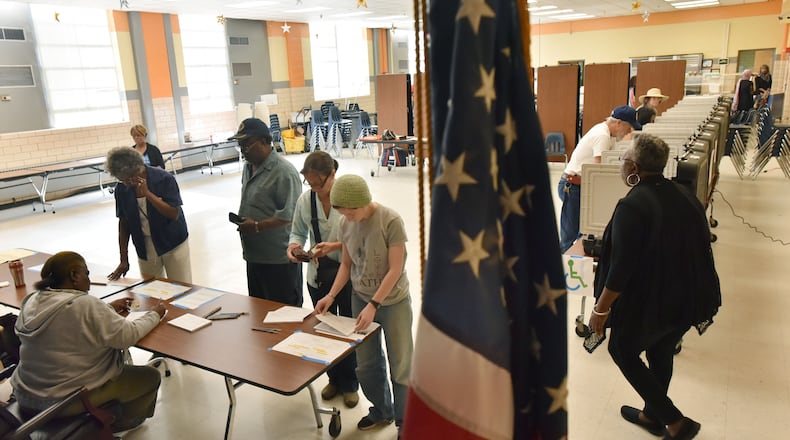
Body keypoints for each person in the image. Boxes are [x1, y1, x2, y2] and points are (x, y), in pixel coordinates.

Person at [588, 134, 721, 440]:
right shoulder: (684, 194)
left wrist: (600, 310)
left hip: (653, 301)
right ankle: (652, 414)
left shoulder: (632, 206)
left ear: (633, 166)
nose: (622, 165)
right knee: (661, 352)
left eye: (624, 160)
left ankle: (675, 422)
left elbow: (621, 269)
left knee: (621, 349)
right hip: (689, 297)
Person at [10, 251, 166, 432]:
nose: (89, 280)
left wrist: (106, 309)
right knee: (149, 377)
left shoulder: (31, 300)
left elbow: (66, 319)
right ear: (74, 275)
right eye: (86, 273)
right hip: (62, 401)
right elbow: (127, 336)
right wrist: (156, 314)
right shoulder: (85, 304)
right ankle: (115, 423)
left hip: (26, 395)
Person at [314, 174, 413, 435]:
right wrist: (331, 296)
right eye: (342, 212)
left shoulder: (390, 221)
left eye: (351, 211)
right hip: (360, 298)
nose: (348, 216)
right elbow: (347, 264)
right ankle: (382, 410)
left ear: (364, 202)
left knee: (401, 365)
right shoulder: (346, 224)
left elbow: (395, 269)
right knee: (367, 364)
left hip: (393, 301)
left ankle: (405, 422)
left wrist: (375, 304)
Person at [287, 151, 359, 408]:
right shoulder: (306, 201)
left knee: (348, 329)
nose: (316, 189)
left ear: (332, 174)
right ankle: (334, 378)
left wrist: (335, 245)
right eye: (310, 184)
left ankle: (351, 382)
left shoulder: (350, 195)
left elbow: (362, 234)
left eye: (320, 183)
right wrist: (294, 248)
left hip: (349, 275)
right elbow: (296, 231)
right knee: (325, 329)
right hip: (317, 276)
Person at [229, 118, 303, 305]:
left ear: (264, 141)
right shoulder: (248, 167)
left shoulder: (284, 172)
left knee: (284, 315)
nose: (243, 151)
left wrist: (256, 226)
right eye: (240, 146)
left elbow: (290, 215)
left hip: (278, 260)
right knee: (259, 312)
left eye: (246, 145)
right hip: (254, 256)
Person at [557, 105, 640, 253]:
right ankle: (564, 269)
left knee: (579, 232)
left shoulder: (604, 131)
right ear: (619, 123)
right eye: (628, 128)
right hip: (573, 185)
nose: (630, 131)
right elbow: (599, 169)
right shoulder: (602, 136)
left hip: (578, 184)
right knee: (570, 236)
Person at [105, 147, 192, 282]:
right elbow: (124, 223)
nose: (127, 184)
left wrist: (148, 194)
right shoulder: (121, 189)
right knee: (153, 289)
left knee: (181, 286)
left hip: (173, 242)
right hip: (144, 245)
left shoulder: (164, 179)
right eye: (123, 180)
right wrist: (124, 259)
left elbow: (173, 214)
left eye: (129, 179)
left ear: (139, 169)